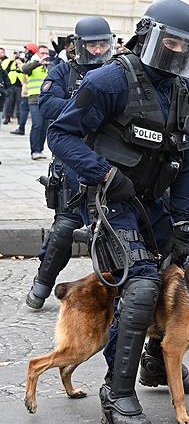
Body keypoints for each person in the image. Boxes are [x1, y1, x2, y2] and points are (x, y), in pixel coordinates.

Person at [47, 0, 189, 424]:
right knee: (140, 287)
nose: (177, 52)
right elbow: (61, 135)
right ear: (148, 35)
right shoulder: (110, 80)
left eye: (185, 46)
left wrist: (184, 220)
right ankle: (117, 393)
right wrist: (103, 173)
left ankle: (154, 362)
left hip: (156, 205)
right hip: (112, 201)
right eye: (170, 42)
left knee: (174, 282)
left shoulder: (188, 94)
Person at [25, 17, 115, 309]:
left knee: (114, 230)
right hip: (71, 165)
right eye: (93, 45)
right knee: (64, 229)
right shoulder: (63, 71)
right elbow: (47, 104)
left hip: (108, 161)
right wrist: (85, 109)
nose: (98, 50)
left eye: (103, 44)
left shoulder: (117, 71)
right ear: (79, 46)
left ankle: (117, 295)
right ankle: (42, 284)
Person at [20, 44, 53, 158]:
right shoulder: (33, 63)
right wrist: (38, 62)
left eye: (46, 53)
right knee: (37, 124)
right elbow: (24, 69)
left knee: (44, 126)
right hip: (34, 99)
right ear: (37, 54)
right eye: (42, 53)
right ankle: (34, 150)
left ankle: (40, 150)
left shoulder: (50, 66)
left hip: (47, 100)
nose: (45, 55)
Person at [1, 49, 23, 124]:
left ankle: (20, 118)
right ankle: (7, 117)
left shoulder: (22, 62)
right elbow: (4, 70)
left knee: (19, 102)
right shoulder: (9, 61)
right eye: (15, 53)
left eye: (18, 54)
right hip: (10, 84)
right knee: (9, 102)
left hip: (19, 85)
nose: (16, 55)